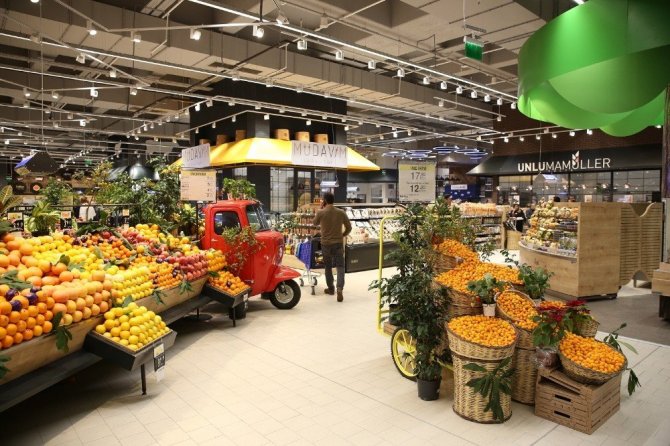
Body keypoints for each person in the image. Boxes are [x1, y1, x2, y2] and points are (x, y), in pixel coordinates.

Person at [313, 192, 352, 302]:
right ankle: (339, 289)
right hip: (338, 243)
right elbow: (349, 227)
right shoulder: (341, 212)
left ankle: (331, 288)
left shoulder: (321, 212)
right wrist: (342, 235)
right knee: (340, 266)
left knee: (328, 267)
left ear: (325, 200)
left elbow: (314, 223)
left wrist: (320, 208)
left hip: (325, 244)